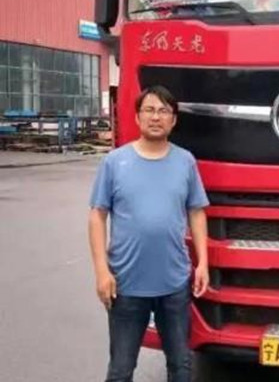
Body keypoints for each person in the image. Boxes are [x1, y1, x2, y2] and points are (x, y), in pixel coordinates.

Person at [88, 85, 210, 382]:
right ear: (137, 117)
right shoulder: (115, 162)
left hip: (174, 284)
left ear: (173, 120)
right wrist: (102, 271)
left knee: (180, 365)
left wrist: (203, 264)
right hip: (126, 285)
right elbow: (97, 216)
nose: (156, 117)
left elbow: (196, 212)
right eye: (149, 110)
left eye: (163, 111)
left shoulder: (185, 161)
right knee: (121, 369)